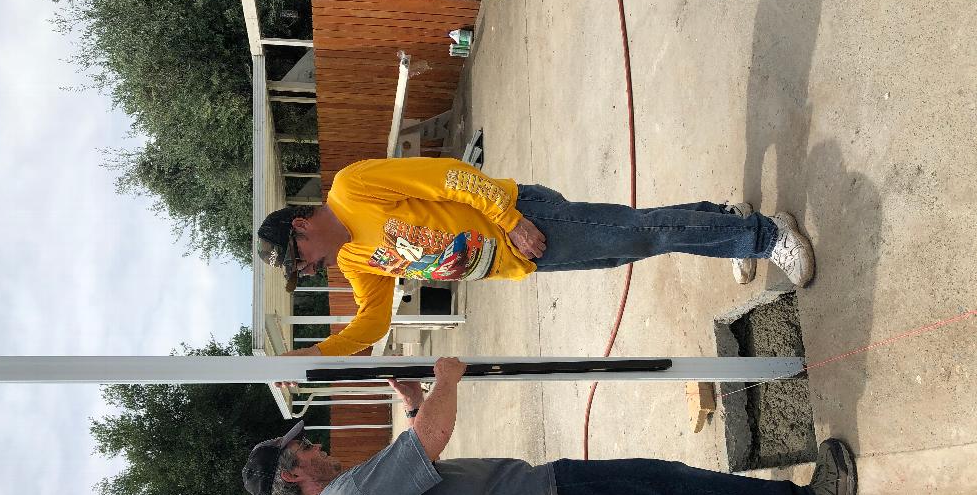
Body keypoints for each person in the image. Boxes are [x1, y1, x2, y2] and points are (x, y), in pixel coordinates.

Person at [242, 358, 858, 495]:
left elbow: (414, 481)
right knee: (664, 489)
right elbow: (432, 440)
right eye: (304, 450)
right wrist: (445, 381)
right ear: (292, 475)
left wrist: (410, 402)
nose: (316, 447)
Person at [256, 157, 815, 356]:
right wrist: (319, 355)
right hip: (523, 258)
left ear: (301, 226)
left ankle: (765, 236)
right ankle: (729, 220)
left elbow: (451, 176)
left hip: (526, 224)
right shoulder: (355, 262)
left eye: (297, 258)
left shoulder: (352, 189)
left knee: (641, 234)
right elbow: (372, 320)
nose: (305, 270)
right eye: (298, 272)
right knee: (637, 236)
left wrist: (512, 221)